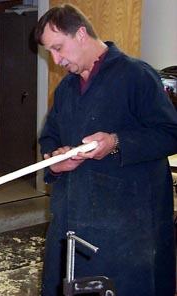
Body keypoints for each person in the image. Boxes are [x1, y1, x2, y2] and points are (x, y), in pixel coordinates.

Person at [34, 4, 177, 296]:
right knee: (66, 283)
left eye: (59, 48)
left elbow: (170, 133)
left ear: (82, 34)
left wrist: (116, 142)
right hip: (72, 217)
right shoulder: (67, 88)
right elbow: (48, 137)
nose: (56, 59)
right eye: (50, 51)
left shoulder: (136, 76)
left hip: (126, 225)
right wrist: (54, 161)